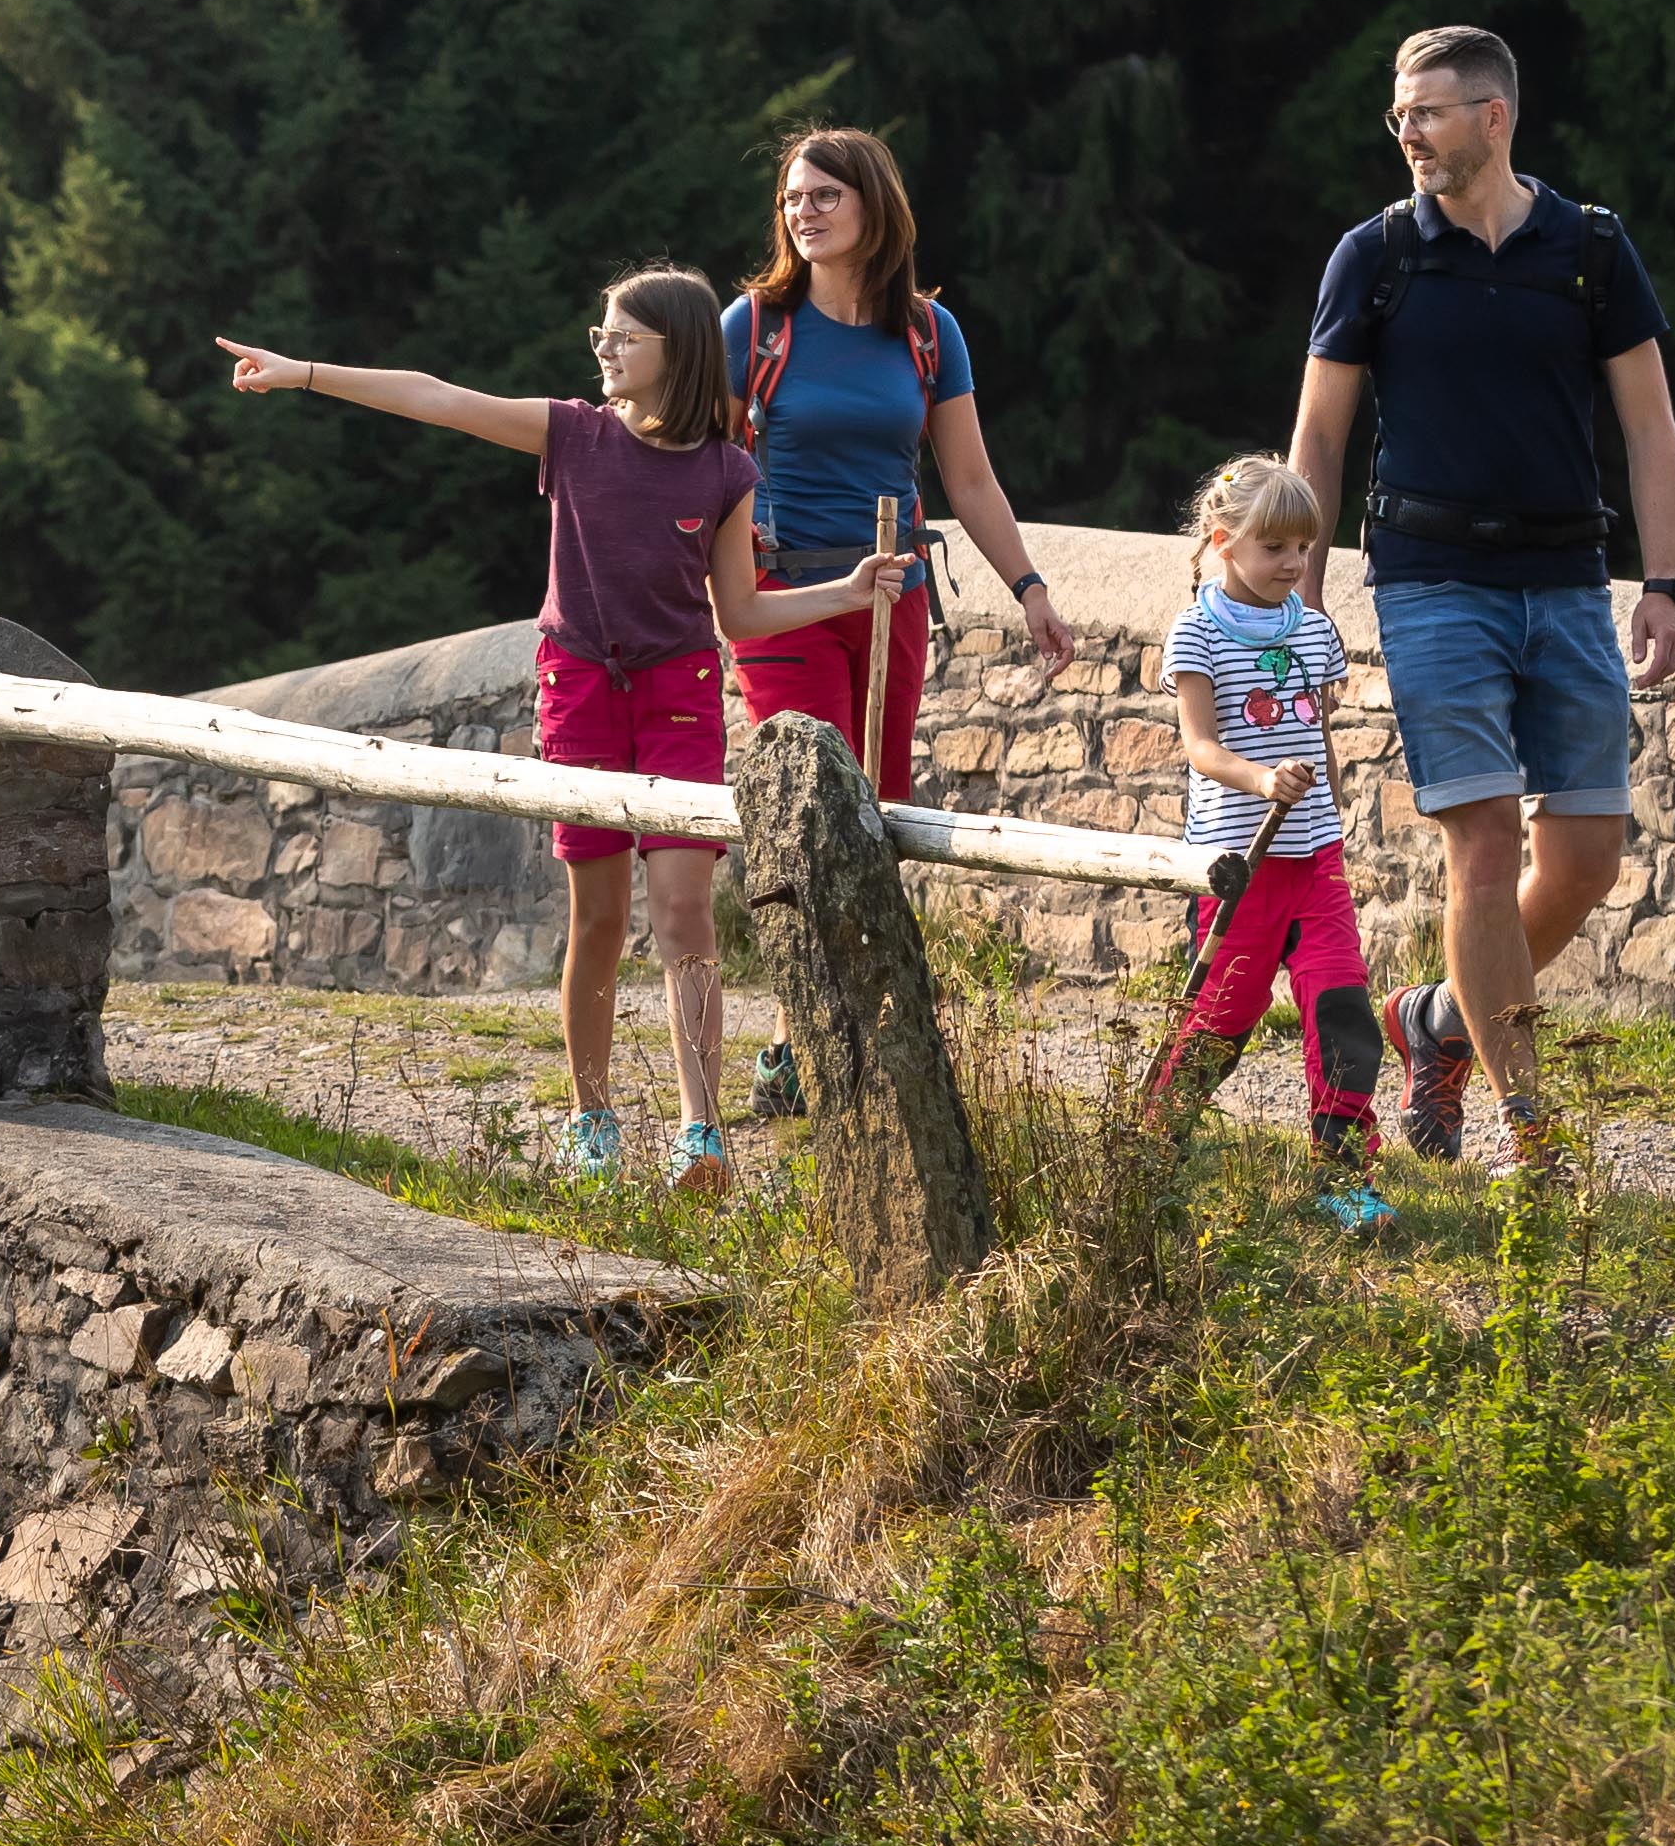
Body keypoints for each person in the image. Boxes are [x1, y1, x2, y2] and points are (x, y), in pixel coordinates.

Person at [215, 270, 904, 1189]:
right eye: (601, 337)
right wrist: (303, 372)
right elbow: (438, 397)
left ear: (678, 351)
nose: (604, 351)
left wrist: (846, 592)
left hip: (680, 692)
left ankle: (702, 1133)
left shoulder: (727, 470)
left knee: (686, 914)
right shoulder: (571, 433)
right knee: (602, 917)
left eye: (622, 337)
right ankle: (592, 1117)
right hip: (579, 687)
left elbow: (738, 613)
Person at [1283, 23, 1675, 1181]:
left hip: (1570, 581)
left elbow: (1651, 427)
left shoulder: (1592, 251)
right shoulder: (1375, 256)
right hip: (1430, 583)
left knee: (1590, 858)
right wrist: (1300, 608)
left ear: (1494, 116)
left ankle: (1436, 1023)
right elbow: (1317, 436)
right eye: (1398, 115)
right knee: (1482, 847)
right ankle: (1534, 1128)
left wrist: (1662, 581)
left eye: (1428, 112)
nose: (1406, 132)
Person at [719, 127, 1080, 800]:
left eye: (826, 195)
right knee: (815, 806)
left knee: (885, 808)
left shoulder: (929, 332)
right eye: (792, 199)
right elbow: (705, 466)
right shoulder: (753, 326)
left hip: (892, 596)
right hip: (783, 601)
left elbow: (970, 481)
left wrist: (1030, 590)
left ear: (874, 205)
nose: (804, 212)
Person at [1141, 454, 1392, 1230]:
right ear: (1223, 541)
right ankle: (1151, 1147)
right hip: (1237, 867)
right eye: (1274, 547)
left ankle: (1342, 1174)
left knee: (1343, 1007)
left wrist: (1335, 812)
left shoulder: (1315, 631)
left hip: (1314, 861)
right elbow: (1201, 747)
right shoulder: (1196, 633)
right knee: (1219, 1019)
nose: (1292, 563)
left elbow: (1317, 733)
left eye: (1303, 548)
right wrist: (1261, 782)